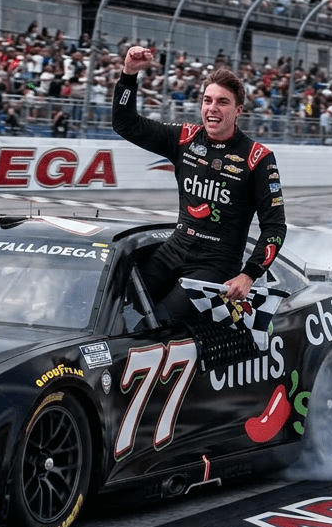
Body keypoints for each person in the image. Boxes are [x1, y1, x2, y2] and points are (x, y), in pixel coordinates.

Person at [113, 45, 286, 321]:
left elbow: (275, 227)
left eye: (222, 102)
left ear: (238, 110)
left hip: (215, 267)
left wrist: (249, 274)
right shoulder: (184, 137)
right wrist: (129, 74)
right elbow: (125, 124)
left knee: (161, 323)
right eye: (207, 100)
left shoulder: (258, 158)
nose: (212, 109)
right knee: (115, 298)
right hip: (173, 252)